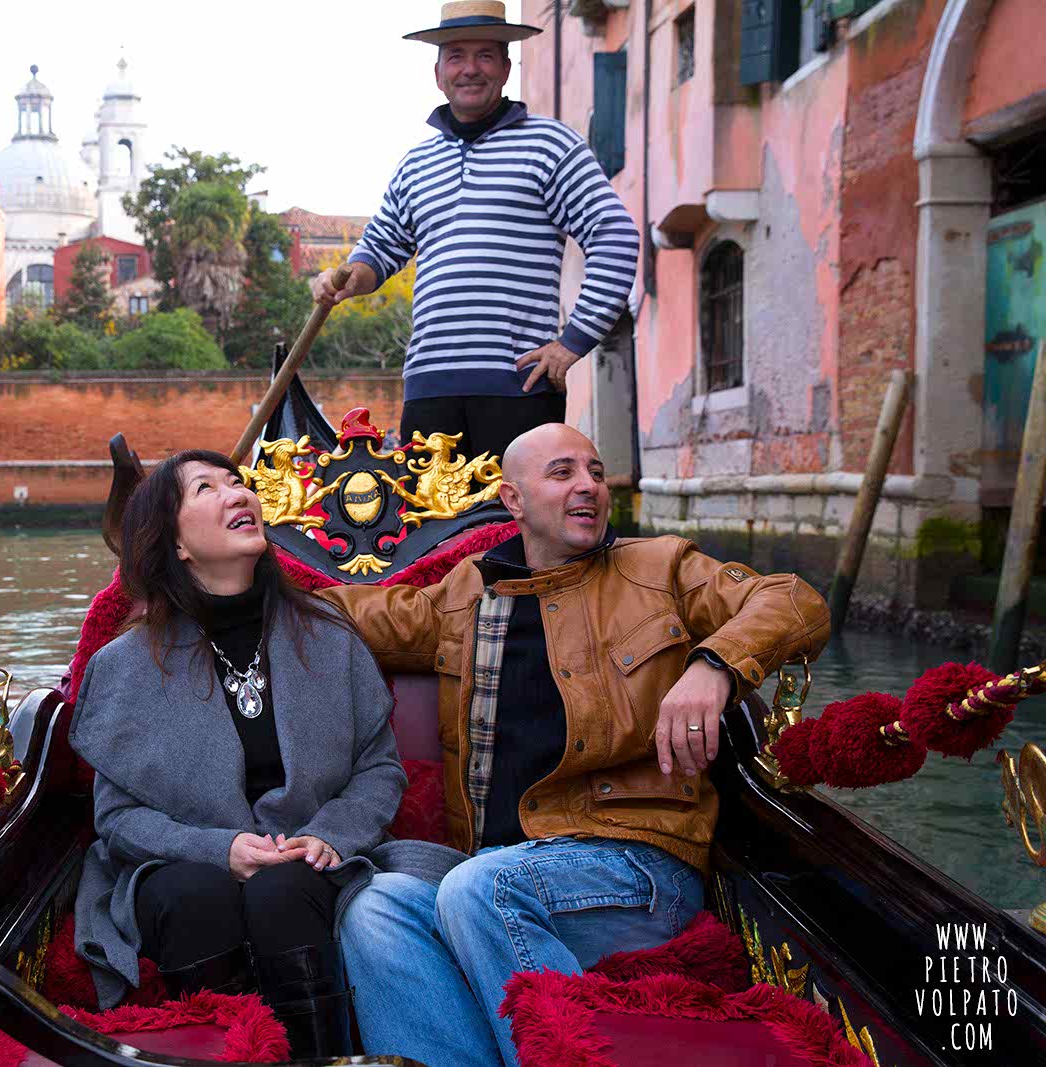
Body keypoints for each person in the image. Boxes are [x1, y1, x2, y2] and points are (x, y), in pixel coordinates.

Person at [322, 423, 831, 1065]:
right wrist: (204, 594)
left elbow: (795, 601)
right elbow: (352, 615)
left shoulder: (661, 568)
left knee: (480, 888)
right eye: (562, 473)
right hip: (496, 873)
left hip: (635, 866)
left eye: (594, 470)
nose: (588, 484)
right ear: (514, 501)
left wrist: (716, 666)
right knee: (375, 906)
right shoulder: (468, 594)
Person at [70, 449, 459, 1057]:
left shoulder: (327, 635)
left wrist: (331, 834)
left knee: (282, 890)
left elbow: (378, 768)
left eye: (239, 483)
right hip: (181, 866)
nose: (237, 494)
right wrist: (217, 849)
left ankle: (318, 1055)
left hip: (316, 855)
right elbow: (119, 820)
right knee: (193, 894)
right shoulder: (124, 667)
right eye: (206, 488)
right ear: (175, 545)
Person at [312, 1, 640, 465]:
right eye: (457, 56)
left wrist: (573, 342)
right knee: (432, 537)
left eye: (485, 55)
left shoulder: (550, 145)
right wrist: (343, 280)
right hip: (429, 388)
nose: (470, 69)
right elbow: (379, 250)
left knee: (518, 532)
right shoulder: (415, 164)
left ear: (506, 68)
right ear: (438, 72)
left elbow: (615, 235)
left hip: (518, 390)